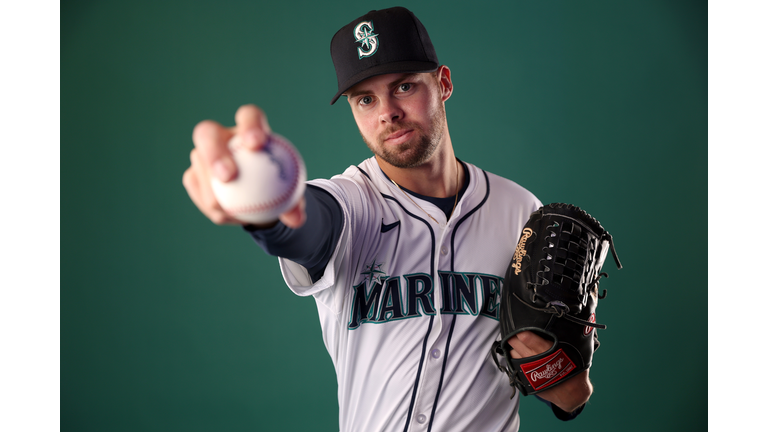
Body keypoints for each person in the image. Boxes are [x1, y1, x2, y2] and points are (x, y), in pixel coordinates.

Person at [183, 7, 593, 432]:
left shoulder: (520, 212)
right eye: (365, 98)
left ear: (444, 83)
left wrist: (551, 366)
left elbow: (571, 396)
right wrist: (265, 204)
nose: (388, 111)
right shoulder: (351, 202)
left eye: (403, 86)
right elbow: (304, 226)